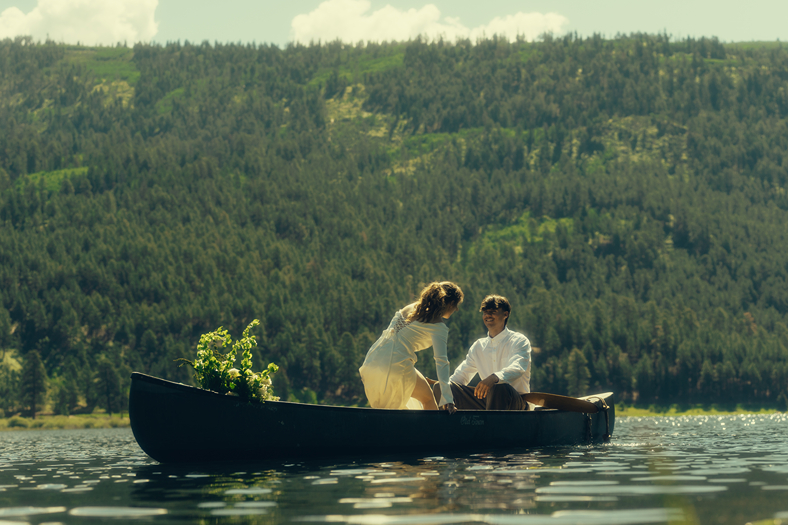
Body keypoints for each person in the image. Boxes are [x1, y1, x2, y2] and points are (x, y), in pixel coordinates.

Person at [359, 281, 463, 413]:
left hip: (372, 361)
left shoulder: (410, 308)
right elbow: (441, 362)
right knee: (428, 399)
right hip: (395, 365)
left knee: (386, 412)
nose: (457, 309)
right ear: (450, 303)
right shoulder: (438, 326)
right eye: (457, 305)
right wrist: (447, 398)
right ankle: (433, 434)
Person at [434, 294, 531, 411]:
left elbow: (518, 367)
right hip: (486, 402)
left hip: (516, 402)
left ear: (505, 314)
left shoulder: (519, 340)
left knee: (499, 388)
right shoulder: (479, 346)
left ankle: (492, 429)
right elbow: (461, 375)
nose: (488, 315)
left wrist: (494, 378)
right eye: (485, 312)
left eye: (493, 311)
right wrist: (445, 389)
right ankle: (447, 428)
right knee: (441, 387)